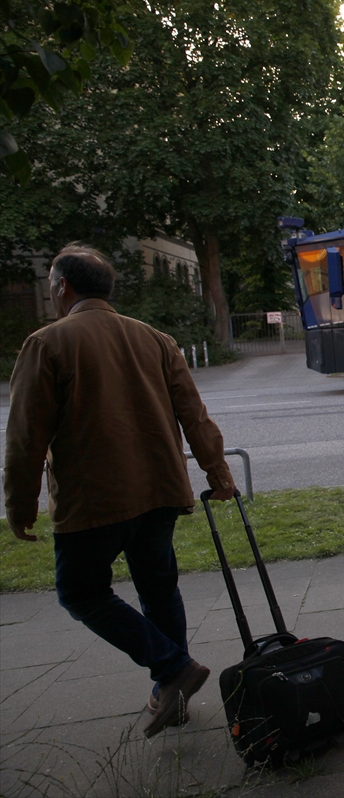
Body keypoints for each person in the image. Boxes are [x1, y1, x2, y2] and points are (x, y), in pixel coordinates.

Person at [4, 245, 237, 738]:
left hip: (94, 499)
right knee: (158, 588)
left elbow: (27, 435)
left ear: (63, 287)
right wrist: (219, 474)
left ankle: (171, 669)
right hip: (160, 490)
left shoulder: (46, 343)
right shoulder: (155, 340)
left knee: (81, 592)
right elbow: (194, 416)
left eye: (50, 283)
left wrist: (20, 504)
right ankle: (170, 688)